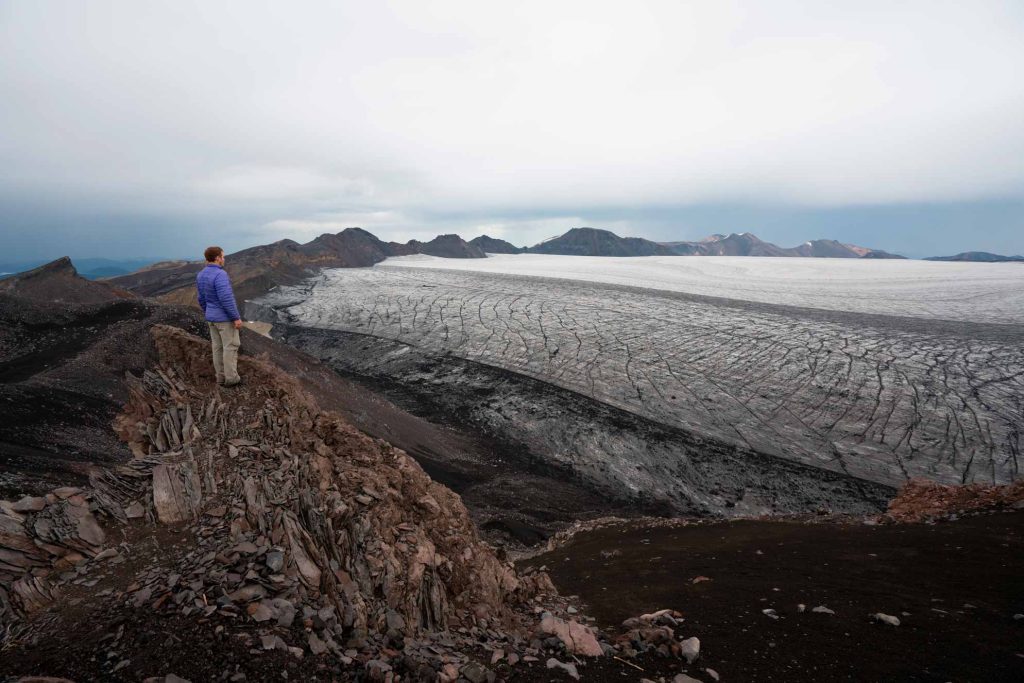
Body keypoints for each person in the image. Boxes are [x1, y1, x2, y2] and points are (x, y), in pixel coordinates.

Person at [196, 246, 243, 387]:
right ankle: (232, 379)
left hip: (211, 318)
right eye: (223, 256)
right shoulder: (220, 275)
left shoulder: (201, 274)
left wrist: (208, 312)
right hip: (224, 319)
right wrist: (235, 317)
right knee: (231, 347)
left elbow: (201, 298)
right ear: (217, 258)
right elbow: (226, 298)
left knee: (217, 348)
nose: (224, 258)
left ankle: (220, 378)